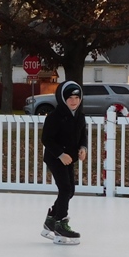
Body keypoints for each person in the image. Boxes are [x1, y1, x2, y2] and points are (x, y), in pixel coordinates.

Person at [41, 80, 87, 243]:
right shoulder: (54, 117)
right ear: (63, 99)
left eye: (77, 98)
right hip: (55, 158)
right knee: (65, 188)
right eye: (70, 98)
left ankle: (51, 220)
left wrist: (83, 148)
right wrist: (60, 154)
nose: (74, 101)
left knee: (70, 191)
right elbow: (46, 139)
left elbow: (82, 135)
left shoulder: (80, 116)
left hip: (69, 159)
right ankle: (60, 224)